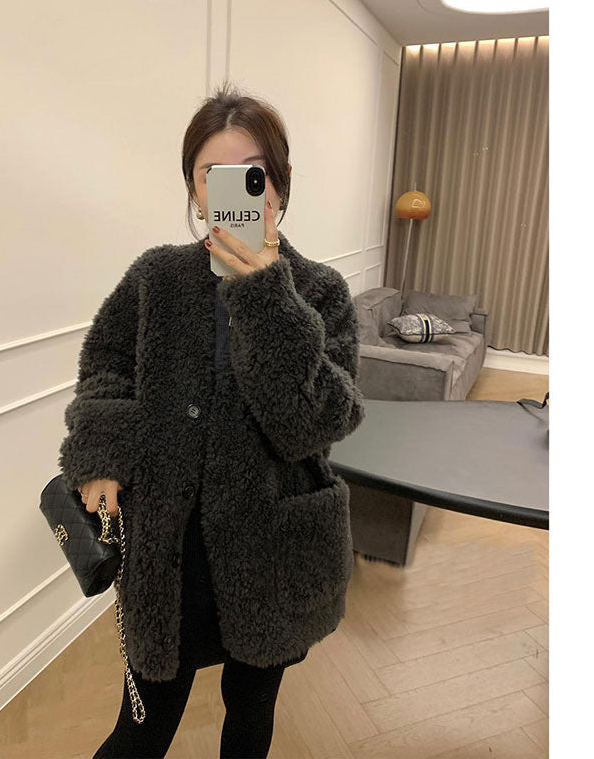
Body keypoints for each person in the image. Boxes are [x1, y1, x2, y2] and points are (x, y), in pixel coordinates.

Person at [59, 81, 365, 758]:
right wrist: (101, 455)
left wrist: (263, 294)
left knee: (250, 714)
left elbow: (313, 423)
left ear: (278, 183)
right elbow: (106, 364)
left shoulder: (319, 291)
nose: (232, 191)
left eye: (251, 173)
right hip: (170, 546)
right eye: (212, 174)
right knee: (141, 727)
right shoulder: (157, 277)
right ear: (195, 190)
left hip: (271, 549)